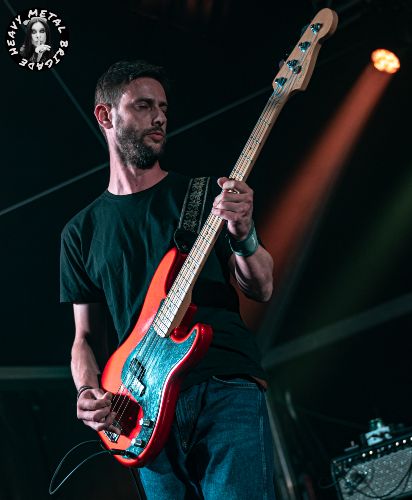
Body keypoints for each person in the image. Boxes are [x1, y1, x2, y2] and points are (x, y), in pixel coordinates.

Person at [60, 60, 276, 499]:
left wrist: (244, 234)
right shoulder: (80, 233)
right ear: (105, 116)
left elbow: (261, 287)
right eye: (143, 106)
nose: (159, 117)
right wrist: (87, 390)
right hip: (142, 409)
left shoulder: (200, 197)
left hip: (221, 384)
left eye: (162, 107)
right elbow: (85, 338)